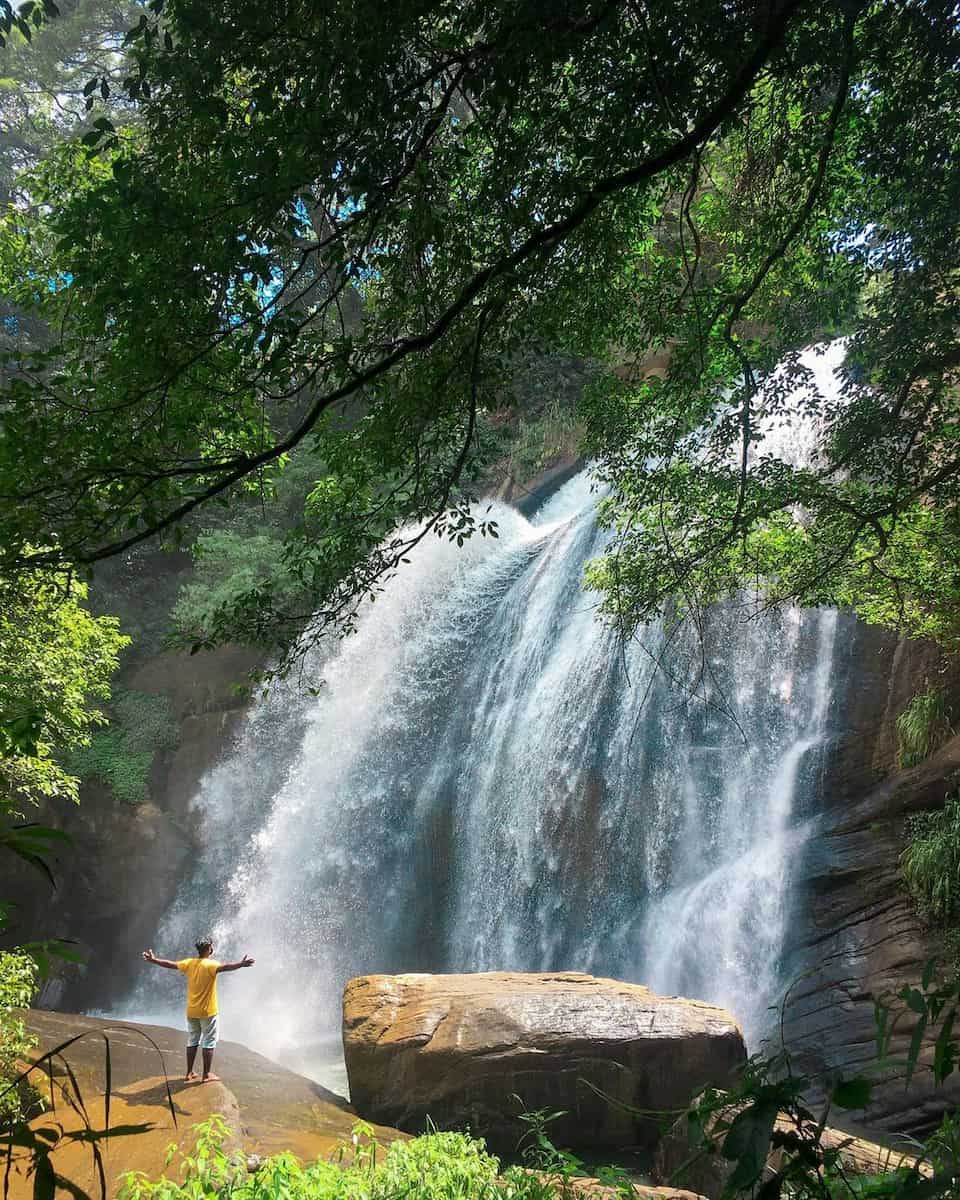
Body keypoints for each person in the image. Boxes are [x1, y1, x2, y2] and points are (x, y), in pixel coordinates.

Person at [142, 937, 254, 1082]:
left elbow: (171, 964)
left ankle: (189, 1073)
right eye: (211, 946)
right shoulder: (211, 964)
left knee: (193, 1040)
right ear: (209, 949)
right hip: (208, 1012)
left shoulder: (189, 963)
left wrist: (154, 960)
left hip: (192, 1012)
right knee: (209, 1041)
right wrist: (241, 964)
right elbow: (225, 967)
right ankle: (206, 1075)